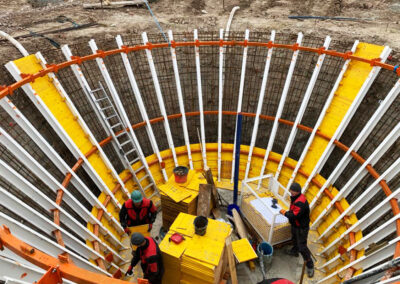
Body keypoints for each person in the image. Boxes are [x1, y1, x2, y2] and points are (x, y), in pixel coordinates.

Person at [279, 182, 314, 278]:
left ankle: (310, 264)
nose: (290, 192)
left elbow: (295, 215)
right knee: (294, 238)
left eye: (291, 191)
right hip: (296, 225)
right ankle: (295, 251)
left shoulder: (300, 202)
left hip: (302, 227)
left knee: (302, 246)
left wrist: (284, 213)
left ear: (296, 192)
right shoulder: (295, 197)